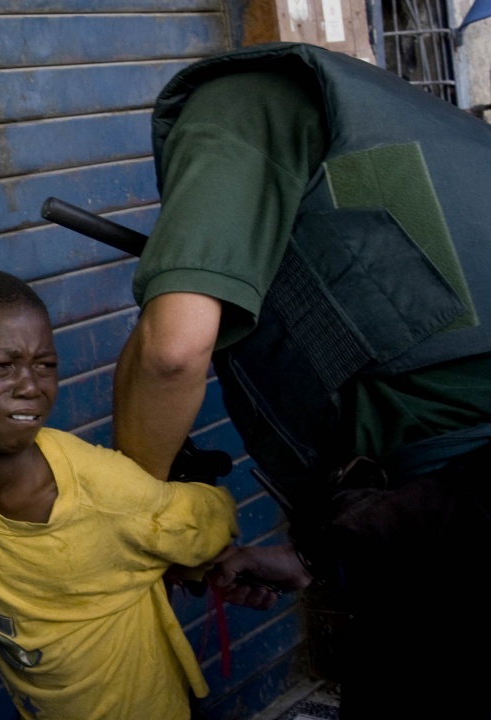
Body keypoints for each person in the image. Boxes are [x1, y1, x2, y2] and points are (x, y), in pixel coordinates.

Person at [111, 42, 491, 718]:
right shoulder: (393, 114)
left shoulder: (234, 105)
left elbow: (170, 352)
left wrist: (134, 526)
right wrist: (312, 556)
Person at [0, 269, 238, 720]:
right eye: (3, 367)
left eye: (45, 365)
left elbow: (201, 524)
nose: (31, 386)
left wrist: (209, 531)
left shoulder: (100, 487)